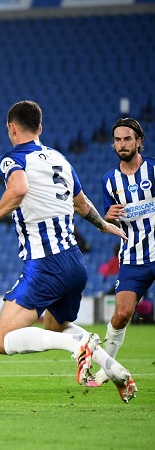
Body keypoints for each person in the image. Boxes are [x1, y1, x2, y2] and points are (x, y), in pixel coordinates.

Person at [0, 100, 137, 403]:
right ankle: (114, 370)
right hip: (75, 263)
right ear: (40, 128)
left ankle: (79, 348)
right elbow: (82, 204)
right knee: (55, 327)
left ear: (12, 128)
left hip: (46, 264)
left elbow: (18, 189)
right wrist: (102, 226)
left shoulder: (13, 158)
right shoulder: (60, 159)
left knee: (0, 340)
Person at [88, 118, 151, 387]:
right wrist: (108, 217)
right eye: (117, 140)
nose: (122, 144)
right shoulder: (109, 181)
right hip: (133, 258)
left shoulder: (154, 170)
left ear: (139, 141)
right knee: (122, 314)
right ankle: (106, 369)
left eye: (127, 139)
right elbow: (107, 224)